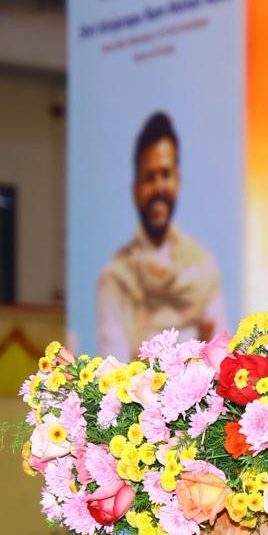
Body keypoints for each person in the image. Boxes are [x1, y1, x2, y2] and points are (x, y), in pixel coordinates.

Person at [96, 111, 226, 360]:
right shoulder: (116, 278)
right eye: (149, 177)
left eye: (166, 175)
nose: (158, 187)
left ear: (177, 181)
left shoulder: (203, 268)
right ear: (135, 190)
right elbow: (113, 368)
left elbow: (220, 355)